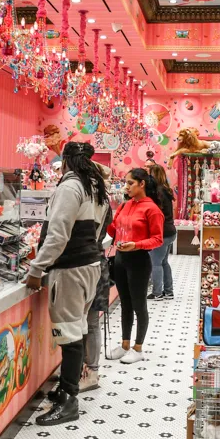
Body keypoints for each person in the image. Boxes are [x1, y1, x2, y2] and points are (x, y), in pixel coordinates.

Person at [24, 141, 109, 424]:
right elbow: (98, 231)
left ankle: (69, 400)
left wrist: (37, 268)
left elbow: (57, 235)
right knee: (78, 328)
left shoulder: (71, 186)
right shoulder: (96, 186)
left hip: (71, 269)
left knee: (70, 334)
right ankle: (66, 389)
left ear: (67, 161)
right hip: (90, 266)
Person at [106, 168, 165, 364]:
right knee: (125, 304)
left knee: (139, 305)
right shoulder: (125, 205)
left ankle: (138, 347)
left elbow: (157, 239)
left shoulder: (152, 209)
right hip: (121, 258)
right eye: (126, 182)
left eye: (131, 183)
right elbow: (113, 228)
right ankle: (124, 344)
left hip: (139, 260)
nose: (127, 186)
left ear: (142, 184)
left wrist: (137, 245)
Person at [81, 144, 112, 392]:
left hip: (84, 263)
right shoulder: (104, 201)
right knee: (91, 321)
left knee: (86, 322)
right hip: (97, 261)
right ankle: (91, 370)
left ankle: (87, 370)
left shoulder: (85, 200)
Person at [147, 162, 176, 300]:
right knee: (164, 262)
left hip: (161, 232)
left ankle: (157, 292)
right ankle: (168, 291)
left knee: (156, 263)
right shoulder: (166, 189)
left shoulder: (157, 192)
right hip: (170, 231)